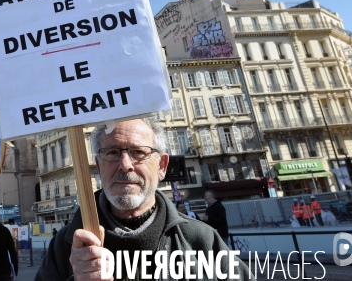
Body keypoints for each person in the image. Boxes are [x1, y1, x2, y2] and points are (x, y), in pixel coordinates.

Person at [35, 118, 252, 281]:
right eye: (112, 153)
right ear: (98, 166)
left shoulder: (200, 240)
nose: (125, 164)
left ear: (162, 166)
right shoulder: (65, 246)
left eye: (138, 152)